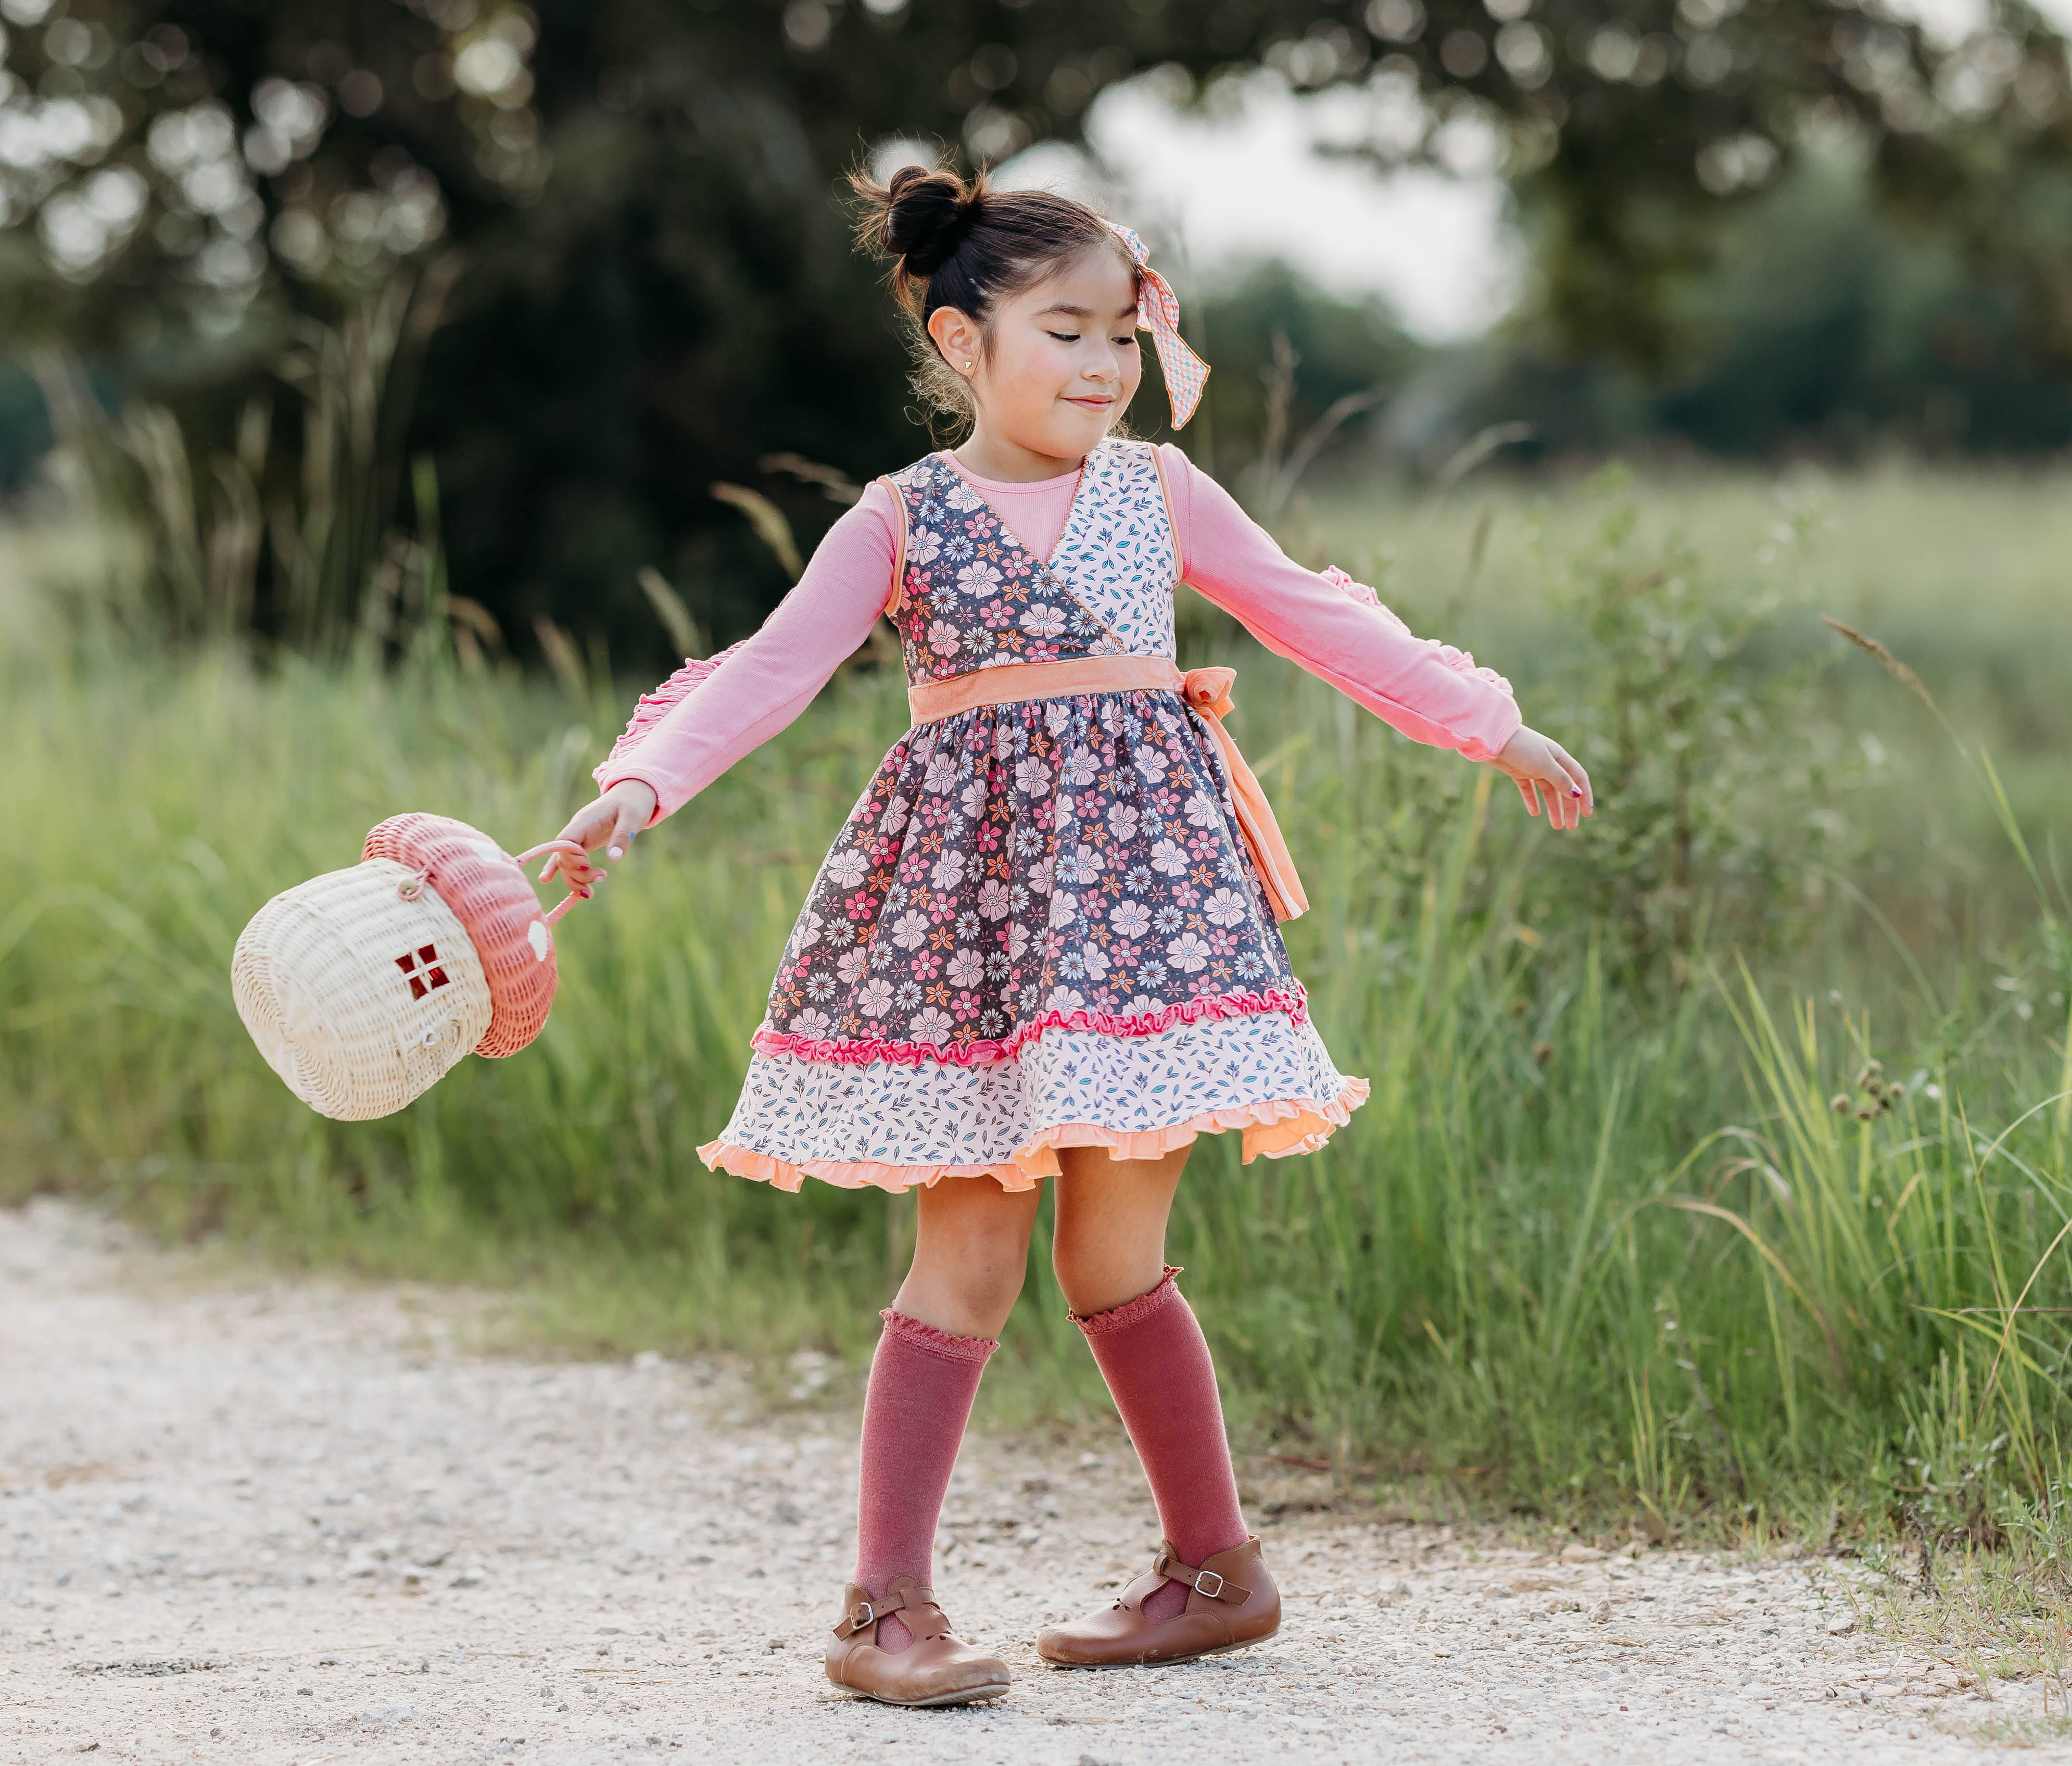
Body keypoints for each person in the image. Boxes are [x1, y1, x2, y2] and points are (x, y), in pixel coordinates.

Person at [537, 166, 1592, 1709]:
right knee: (964, 1247)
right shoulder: (899, 518)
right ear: (963, 343)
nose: (1105, 368)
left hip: (1149, 930)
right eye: (1066, 334)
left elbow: (1317, 615)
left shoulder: (1159, 491)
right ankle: (883, 1608)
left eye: (1123, 336)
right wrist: (632, 793)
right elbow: (766, 673)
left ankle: (1216, 1569)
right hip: (966, 934)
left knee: (1118, 1253)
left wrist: (1492, 726)